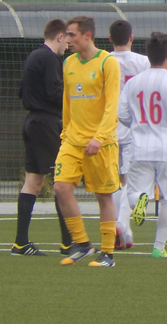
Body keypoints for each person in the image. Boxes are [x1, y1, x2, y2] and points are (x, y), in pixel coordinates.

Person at [118, 32, 167, 258]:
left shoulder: (133, 83)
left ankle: (140, 201)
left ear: (148, 56)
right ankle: (158, 248)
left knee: (133, 193)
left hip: (139, 148)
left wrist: (137, 124)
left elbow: (122, 114)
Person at [54, 16, 121, 268]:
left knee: (103, 196)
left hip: (100, 143)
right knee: (60, 187)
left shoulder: (107, 62)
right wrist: (65, 132)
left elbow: (112, 105)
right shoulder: (68, 63)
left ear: (87, 35)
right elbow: (68, 101)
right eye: (65, 35)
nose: (67, 40)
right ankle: (82, 243)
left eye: (71, 35)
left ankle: (108, 254)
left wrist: (99, 137)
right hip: (73, 140)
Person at [12, 19, 72, 257]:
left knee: (33, 182)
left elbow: (21, 91)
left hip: (32, 121)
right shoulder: (50, 58)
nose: (67, 46)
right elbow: (54, 92)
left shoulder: (33, 55)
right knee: (62, 180)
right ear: (59, 37)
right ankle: (69, 243)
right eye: (67, 40)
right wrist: (76, 102)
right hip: (46, 123)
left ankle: (20, 243)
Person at [108, 19, 151, 250]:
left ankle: (123, 229)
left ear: (110, 39)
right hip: (135, 127)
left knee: (114, 181)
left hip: (109, 126)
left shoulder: (104, 60)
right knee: (129, 180)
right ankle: (122, 225)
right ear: (132, 38)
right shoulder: (144, 62)